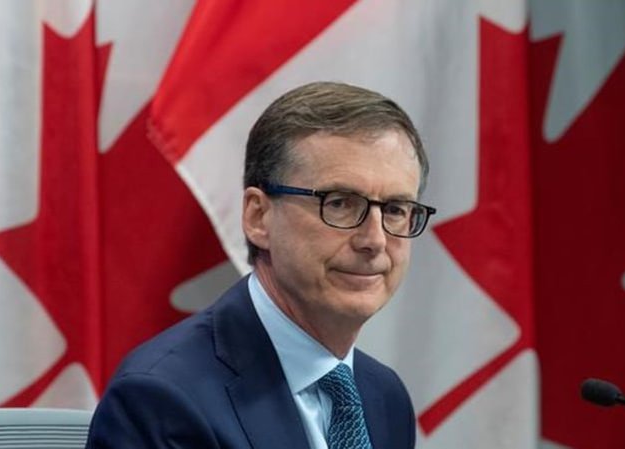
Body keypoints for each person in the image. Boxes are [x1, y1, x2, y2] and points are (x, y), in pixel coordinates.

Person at [85, 81, 436, 448]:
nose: (375, 240)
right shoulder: (162, 398)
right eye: (339, 204)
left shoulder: (384, 398)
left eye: (395, 210)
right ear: (258, 217)